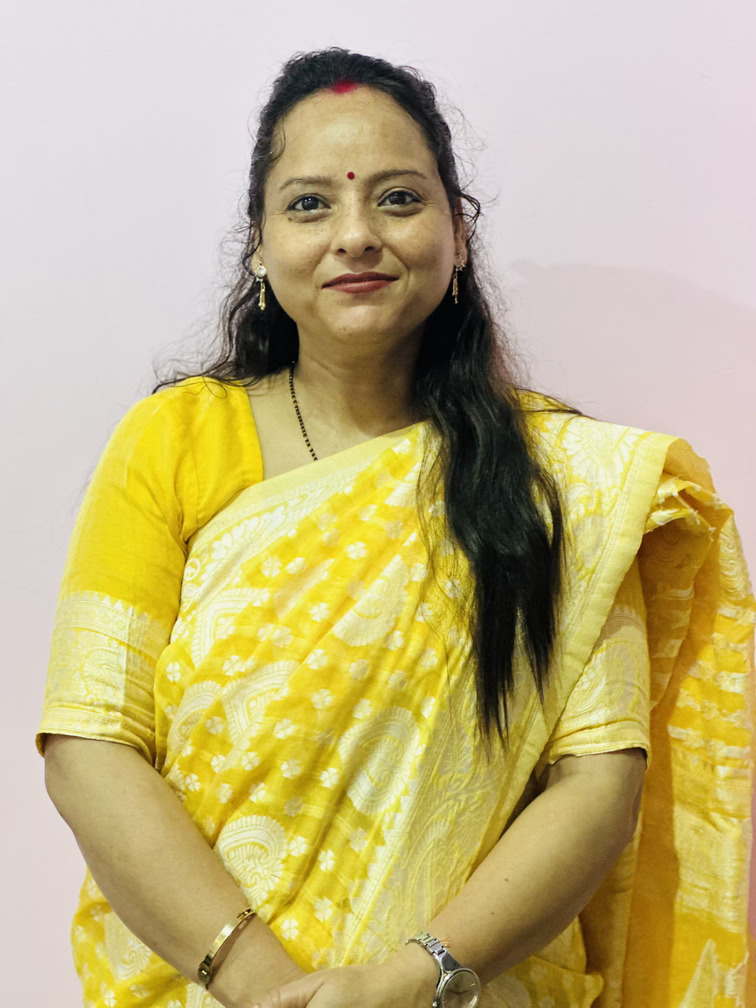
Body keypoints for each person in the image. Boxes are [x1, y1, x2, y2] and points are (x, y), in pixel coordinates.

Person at [37, 47, 755, 1008]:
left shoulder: (565, 479)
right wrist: (264, 985)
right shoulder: (173, 440)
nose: (356, 236)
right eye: (310, 205)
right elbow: (90, 744)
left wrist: (415, 980)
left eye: (399, 199)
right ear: (258, 245)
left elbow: (598, 779)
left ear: (459, 233)